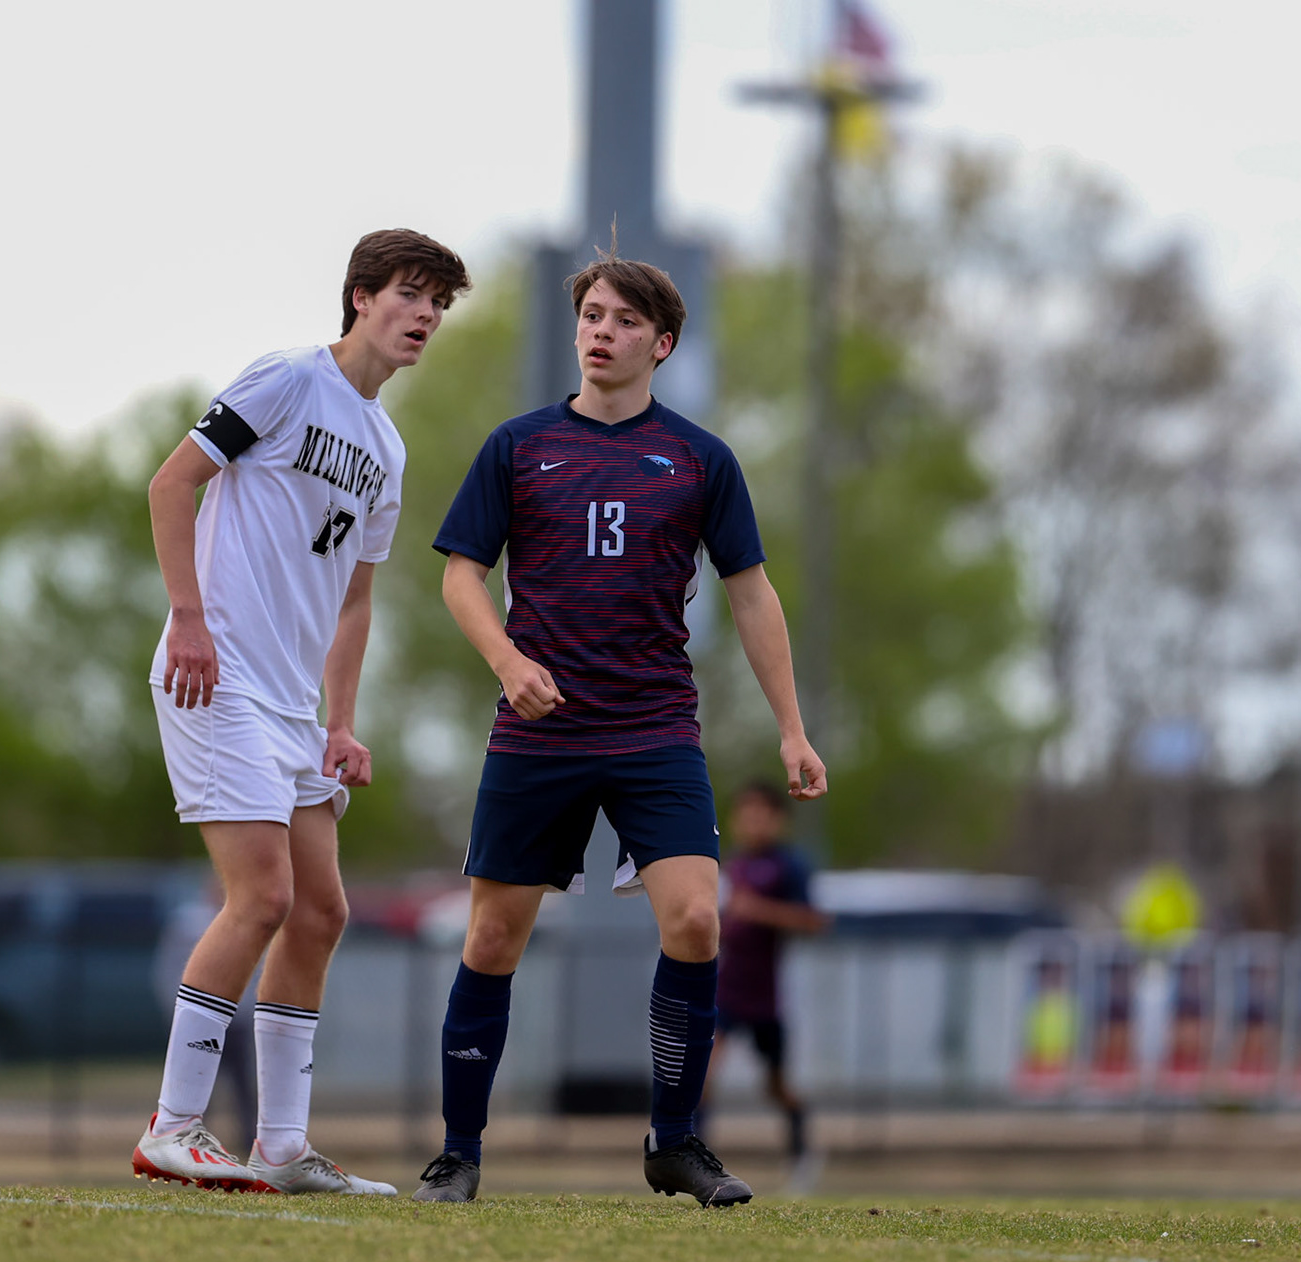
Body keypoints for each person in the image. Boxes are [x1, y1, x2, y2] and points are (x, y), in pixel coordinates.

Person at [413, 249, 826, 1207]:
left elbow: (754, 596)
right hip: (538, 735)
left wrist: (792, 730)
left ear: (663, 342)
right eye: (592, 315)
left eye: (624, 320)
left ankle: (674, 1141)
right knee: (491, 940)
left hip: (653, 727)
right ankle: (459, 1155)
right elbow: (458, 576)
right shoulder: (517, 446)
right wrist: (511, 665)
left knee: (694, 918)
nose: (602, 330)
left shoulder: (699, 459)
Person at [132, 229, 470, 1196]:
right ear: (361, 297)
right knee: (264, 898)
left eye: (440, 303)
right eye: (411, 293)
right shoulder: (285, 378)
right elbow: (171, 484)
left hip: (291, 710)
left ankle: (282, 1147)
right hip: (218, 675)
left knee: (321, 910)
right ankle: (175, 1125)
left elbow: (355, 600)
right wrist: (187, 621)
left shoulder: (387, 447)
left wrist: (342, 719)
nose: (427, 316)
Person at [703, 781, 828, 1164]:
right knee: (703, 1075)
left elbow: (813, 922)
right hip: (726, 991)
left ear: (778, 821)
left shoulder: (789, 866)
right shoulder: (730, 864)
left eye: (761, 815)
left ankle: (802, 1150)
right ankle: (696, 1156)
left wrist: (759, 910)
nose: (752, 823)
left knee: (776, 1087)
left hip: (765, 997)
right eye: (746, 815)